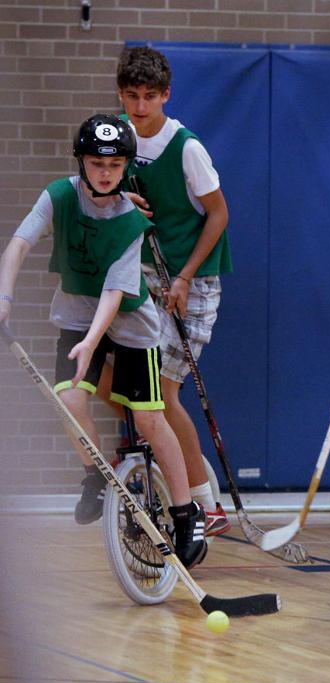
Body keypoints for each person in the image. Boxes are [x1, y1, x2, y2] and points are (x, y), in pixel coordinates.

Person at [0, 115, 207, 567]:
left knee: (150, 419)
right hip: (76, 312)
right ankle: (95, 474)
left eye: (115, 165)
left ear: (126, 166)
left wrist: (92, 344)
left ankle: (185, 510)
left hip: (130, 321)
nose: (106, 172)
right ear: (82, 163)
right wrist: (4, 294)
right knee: (69, 402)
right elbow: (19, 243)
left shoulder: (131, 220)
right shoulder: (58, 196)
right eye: (96, 163)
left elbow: (115, 293)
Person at [109, 46, 233, 538]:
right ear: (121, 94)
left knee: (163, 394)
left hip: (191, 281)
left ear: (166, 95)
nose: (140, 106)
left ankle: (205, 505)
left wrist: (182, 278)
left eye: (150, 97)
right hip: (142, 277)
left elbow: (219, 214)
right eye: (132, 96)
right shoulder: (115, 136)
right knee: (130, 390)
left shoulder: (186, 147)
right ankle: (179, 481)